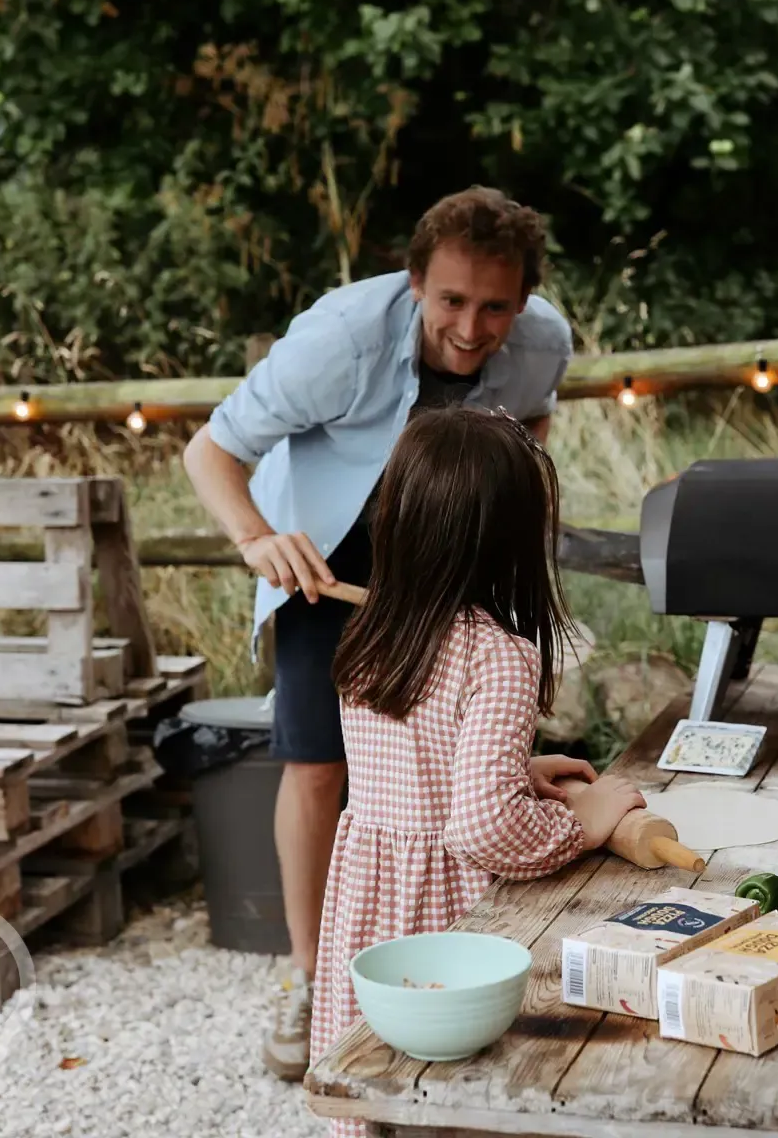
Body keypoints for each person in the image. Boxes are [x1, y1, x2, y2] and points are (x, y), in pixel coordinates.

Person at [182, 186, 576, 1080]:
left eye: (496, 306)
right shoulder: (338, 339)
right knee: (322, 761)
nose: (473, 329)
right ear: (413, 283)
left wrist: (517, 508)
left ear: (524, 300)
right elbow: (211, 449)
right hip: (331, 549)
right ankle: (311, 975)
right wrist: (255, 537)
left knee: (470, 746)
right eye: (451, 302)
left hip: (455, 537)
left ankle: (470, 954)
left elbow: (535, 424)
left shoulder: (544, 338)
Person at [310, 409, 646, 1138]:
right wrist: (584, 823)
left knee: (387, 1082)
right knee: (465, 1094)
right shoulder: (497, 655)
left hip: (374, 900)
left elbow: (409, 764)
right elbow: (480, 825)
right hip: (446, 917)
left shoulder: (372, 636)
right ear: (513, 541)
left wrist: (515, 768)